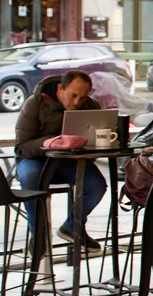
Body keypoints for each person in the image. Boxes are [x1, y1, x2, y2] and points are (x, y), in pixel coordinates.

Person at [14, 69, 107, 253]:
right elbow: (22, 147)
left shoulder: (91, 106)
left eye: (82, 97)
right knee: (32, 176)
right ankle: (38, 234)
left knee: (97, 185)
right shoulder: (35, 104)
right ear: (60, 89)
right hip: (36, 159)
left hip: (71, 162)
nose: (77, 102)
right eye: (73, 96)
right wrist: (49, 142)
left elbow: (97, 145)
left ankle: (73, 226)